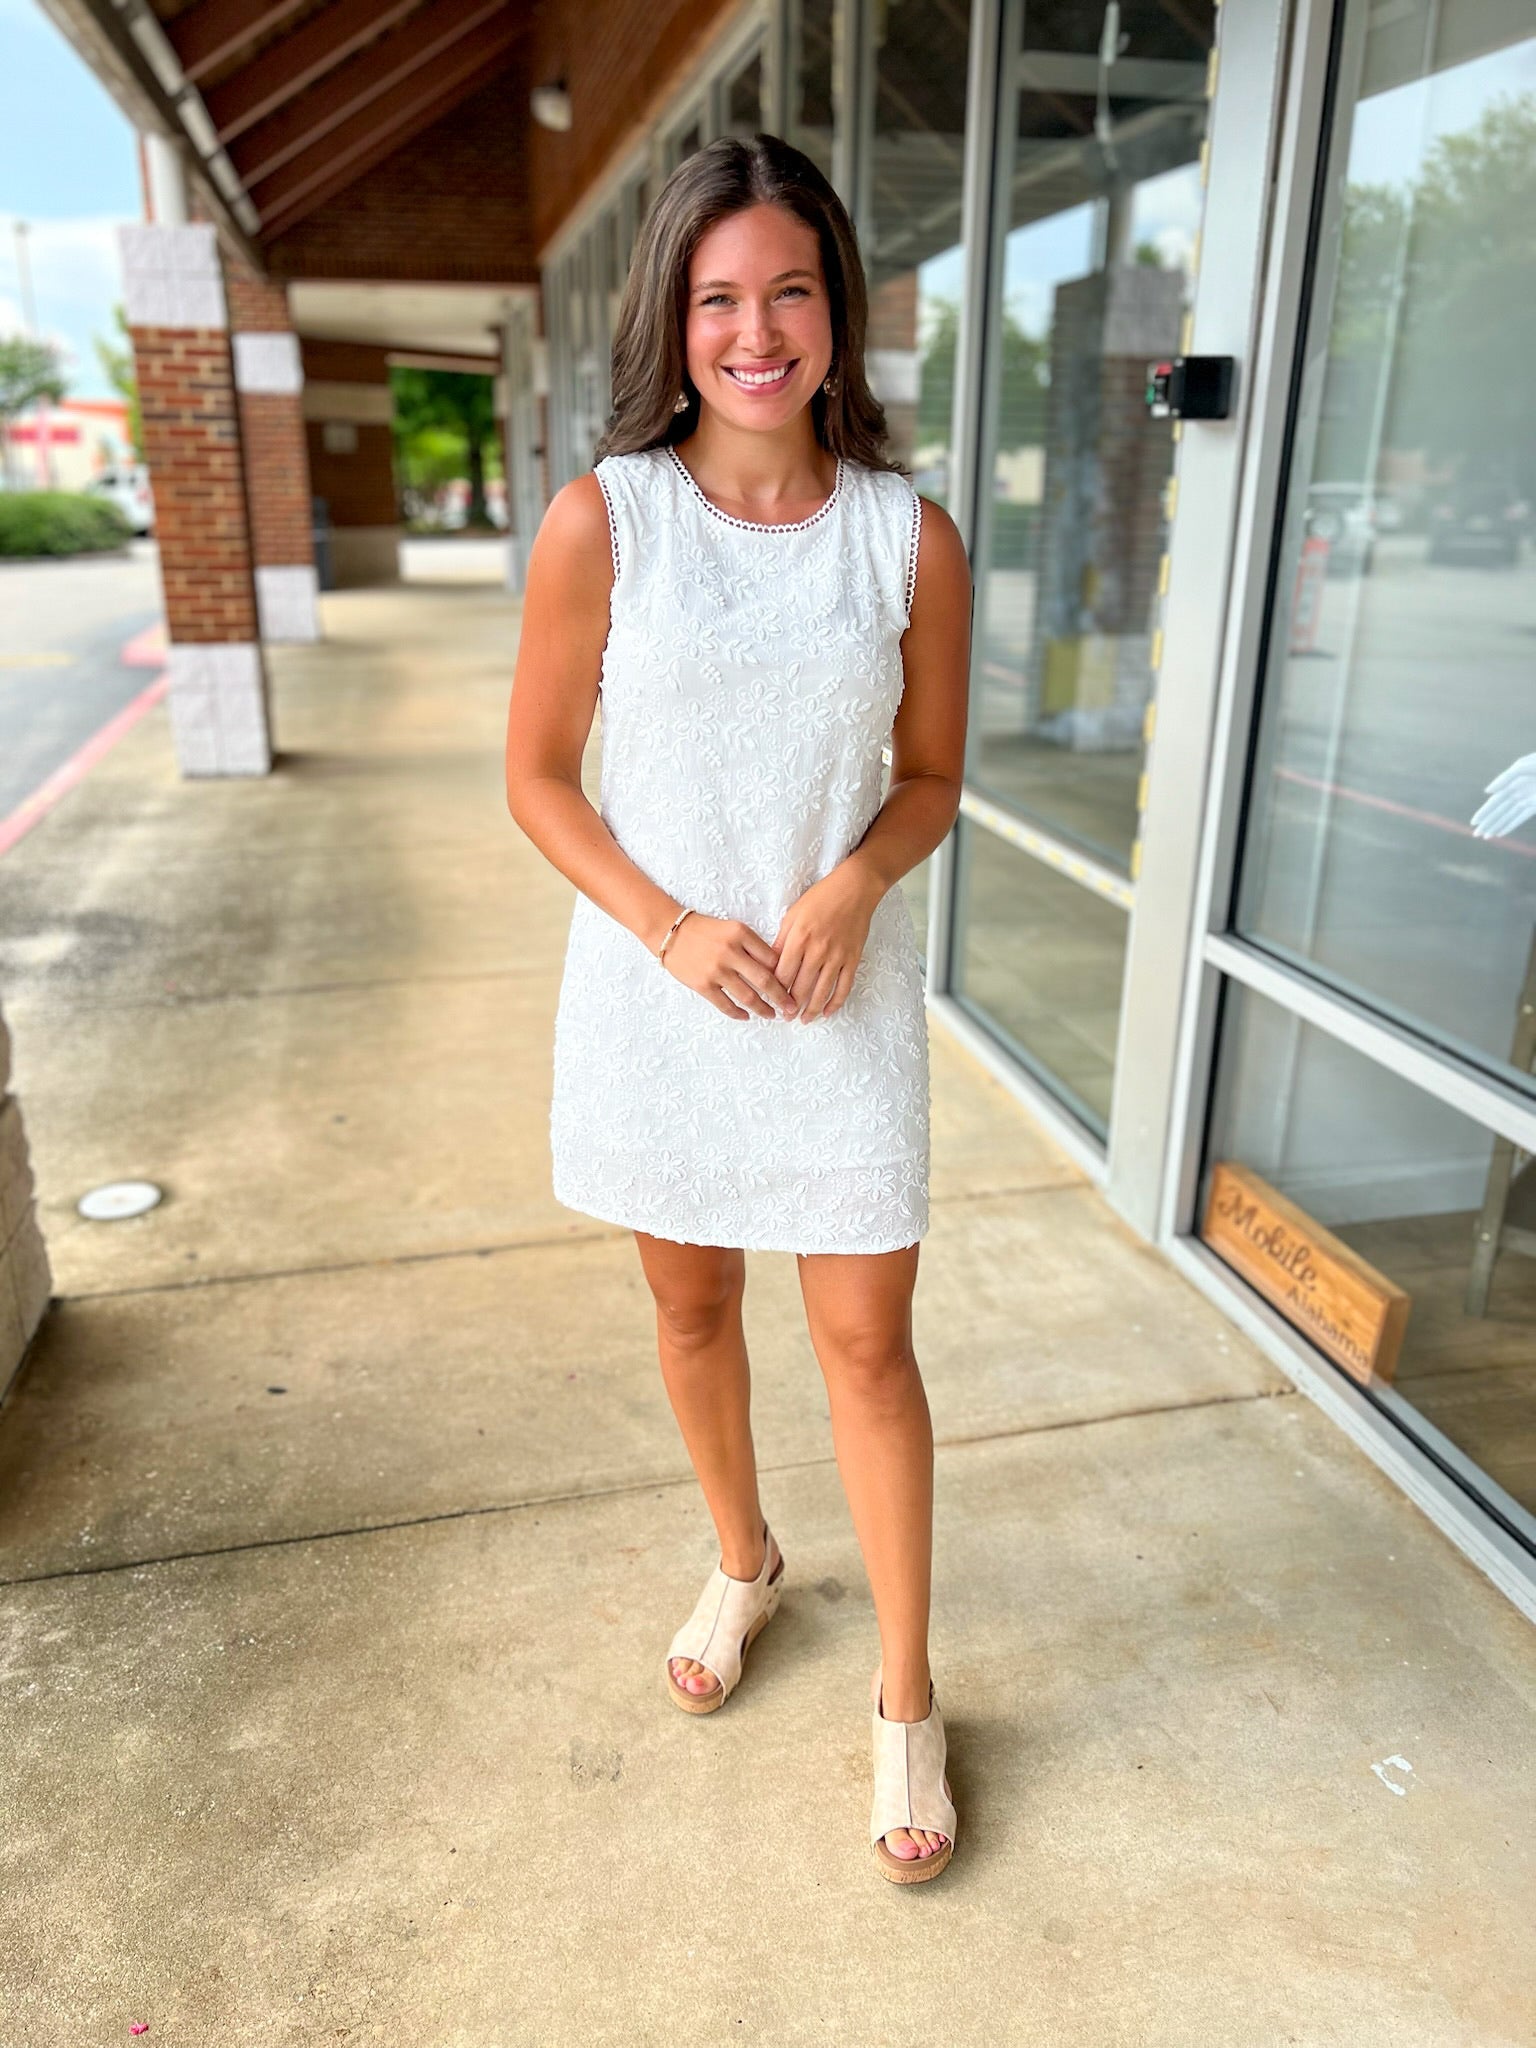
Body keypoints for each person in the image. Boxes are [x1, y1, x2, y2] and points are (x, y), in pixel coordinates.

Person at [504, 132, 971, 1883]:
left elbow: (929, 778)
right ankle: (745, 1558)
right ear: (673, 319)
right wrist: (670, 925)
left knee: (868, 1346)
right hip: (662, 999)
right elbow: (540, 779)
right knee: (692, 1311)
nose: (755, 330)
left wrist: (852, 882)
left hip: (841, 1009)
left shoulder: (904, 539)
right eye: (718, 297)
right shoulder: (601, 521)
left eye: (789, 290)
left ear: (836, 312)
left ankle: (907, 1703)